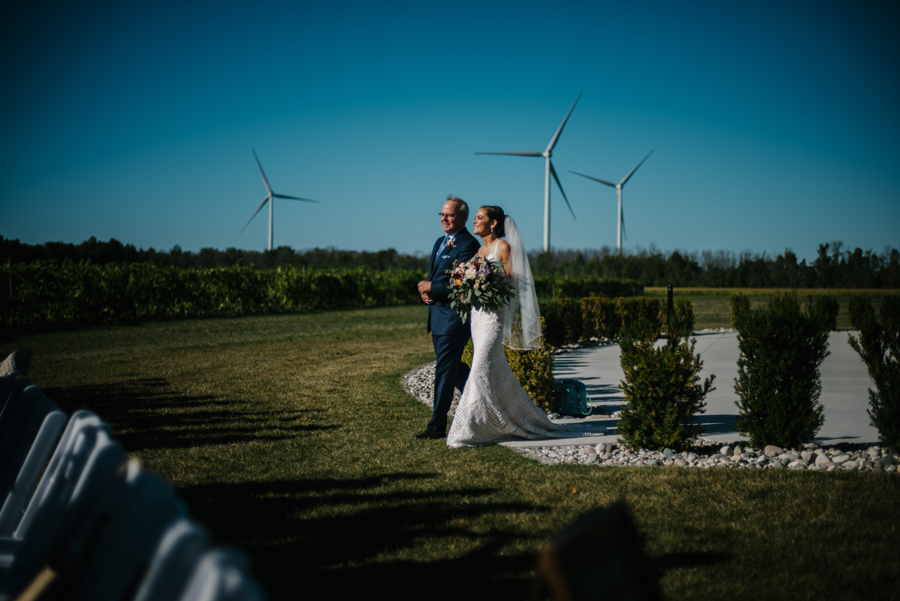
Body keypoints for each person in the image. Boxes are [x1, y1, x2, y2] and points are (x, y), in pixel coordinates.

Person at [446, 205, 587, 447]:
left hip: (493, 318)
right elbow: (472, 278)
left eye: (480, 218)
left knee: (480, 366)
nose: (475, 222)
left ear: (493, 223)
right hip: (478, 317)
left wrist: (487, 278)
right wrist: (468, 283)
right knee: (494, 370)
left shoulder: (503, 247)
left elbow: (514, 281)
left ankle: (469, 428)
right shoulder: (480, 250)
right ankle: (505, 419)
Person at [415, 195, 481, 439]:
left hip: (454, 319)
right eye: (442, 214)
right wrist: (427, 294)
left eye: (450, 214)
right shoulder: (439, 242)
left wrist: (433, 287)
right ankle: (484, 407)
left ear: (463, 217)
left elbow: (462, 282)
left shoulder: (468, 245)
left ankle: (436, 427)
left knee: (444, 372)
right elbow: (437, 277)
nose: (444, 218)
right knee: (455, 370)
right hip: (437, 316)